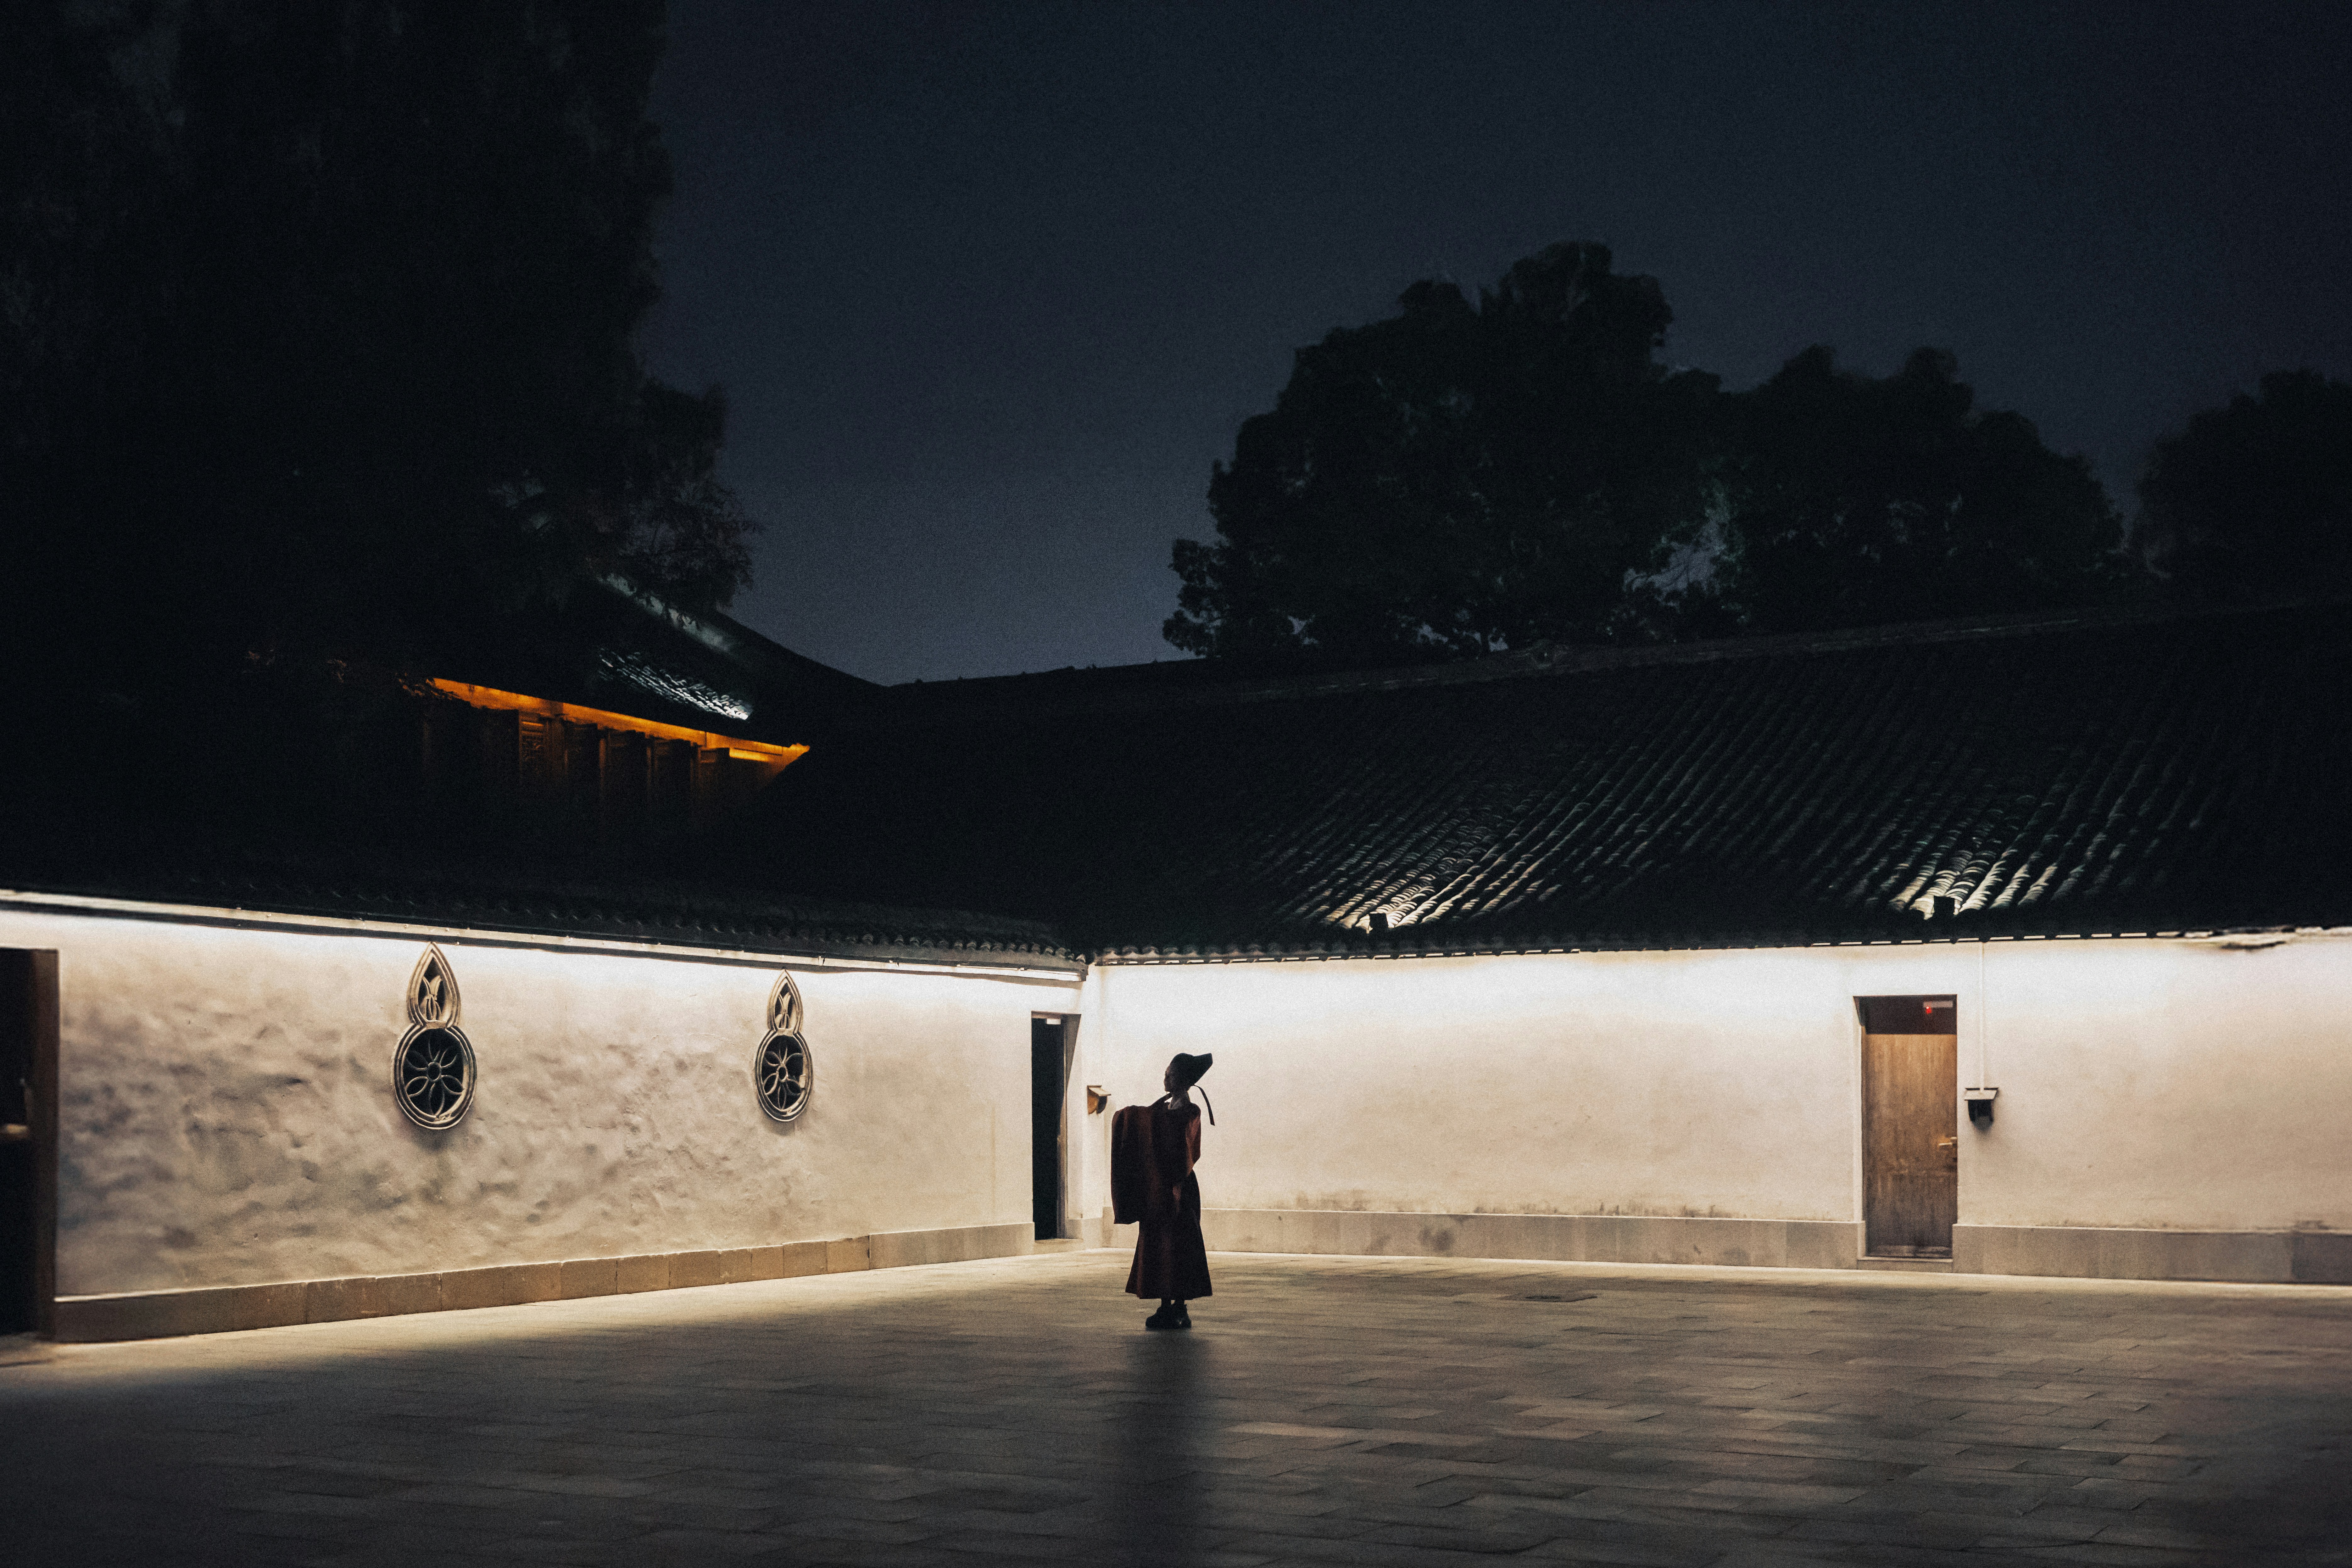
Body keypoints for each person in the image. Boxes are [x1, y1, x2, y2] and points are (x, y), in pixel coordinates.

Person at [1111, 1052, 1214, 1330]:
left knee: (1179, 1246)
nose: (1165, 1078)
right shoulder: (1161, 1110)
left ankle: (1180, 1307)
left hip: (1180, 1188)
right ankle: (1164, 1305)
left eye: (1169, 1073)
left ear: (1182, 1078)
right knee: (1159, 1245)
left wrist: (1172, 1180)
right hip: (1158, 1188)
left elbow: (1184, 1148)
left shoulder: (1190, 1113)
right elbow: (1145, 1123)